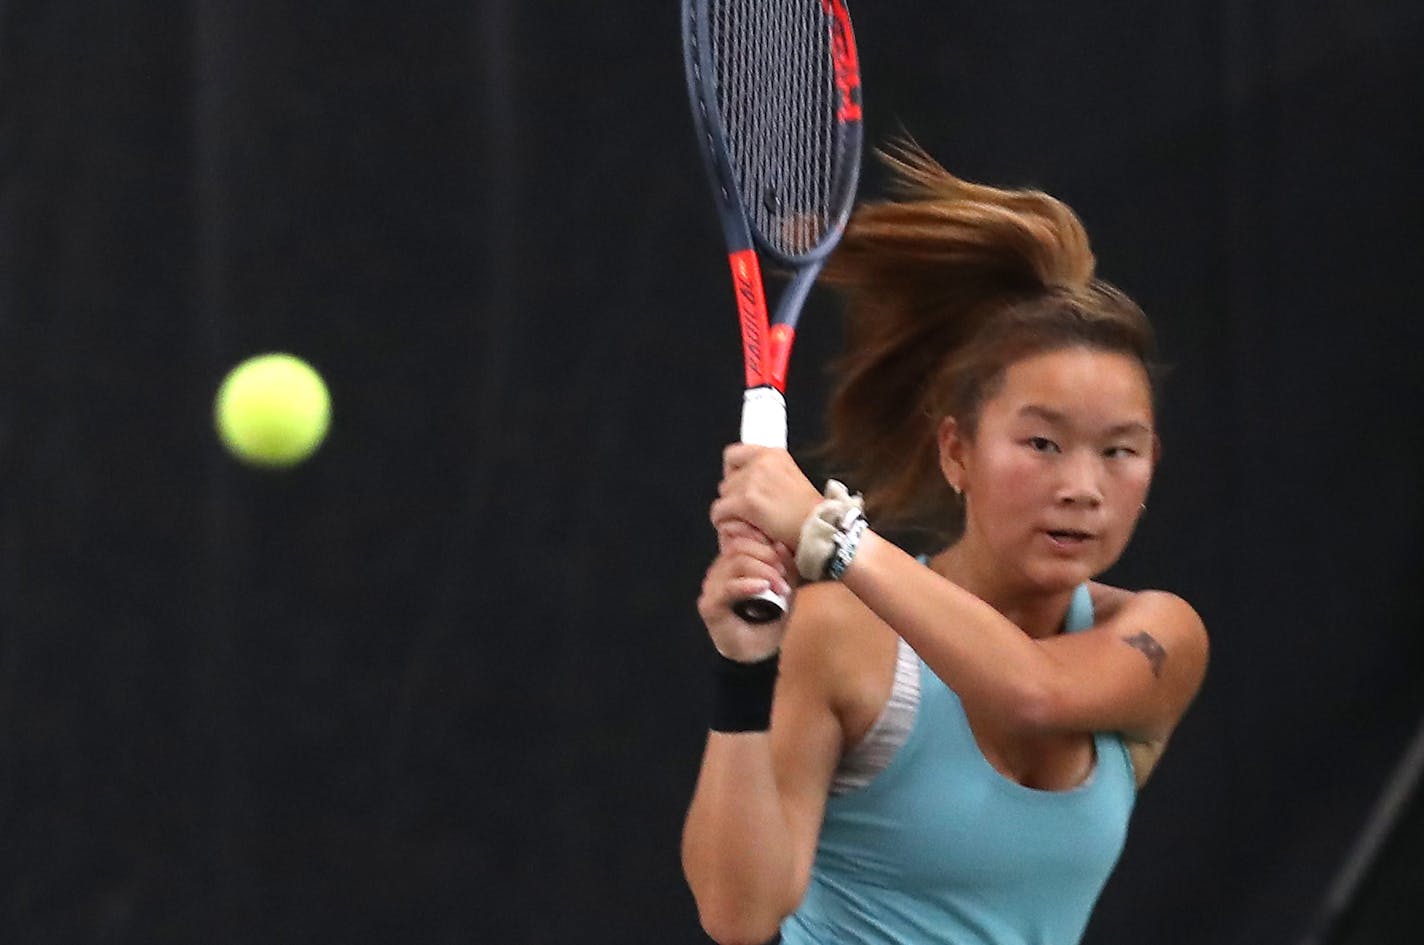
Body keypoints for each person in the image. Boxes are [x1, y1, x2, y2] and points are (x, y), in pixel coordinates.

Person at [680, 144, 1210, 945]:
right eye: (1041, 443)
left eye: (1119, 450)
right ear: (957, 450)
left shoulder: (1157, 637)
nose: (1082, 487)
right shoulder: (841, 634)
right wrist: (744, 668)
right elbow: (740, 912)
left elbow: (1031, 690)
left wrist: (831, 534)